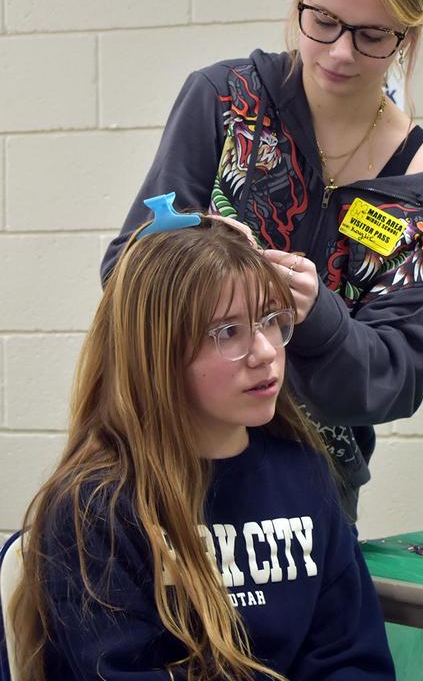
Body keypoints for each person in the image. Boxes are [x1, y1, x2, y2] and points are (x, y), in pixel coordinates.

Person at [101, 0, 423, 522]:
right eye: (322, 21)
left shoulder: (420, 183)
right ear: (299, 1)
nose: (341, 53)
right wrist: (206, 259)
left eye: (372, 35)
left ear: (410, 37)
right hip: (173, 457)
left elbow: (396, 380)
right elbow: (123, 270)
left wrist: (317, 315)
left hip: (310, 485)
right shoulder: (223, 99)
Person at [4, 209, 395, 681]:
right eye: (228, 331)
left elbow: (353, 659)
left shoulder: (307, 475)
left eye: (272, 320)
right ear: (157, 352)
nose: (267, 352)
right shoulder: (94, 509)